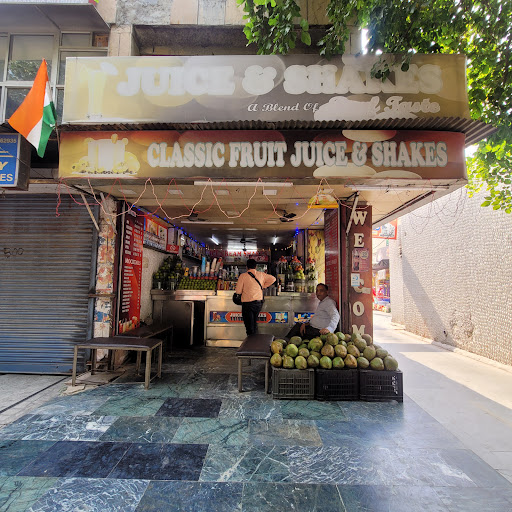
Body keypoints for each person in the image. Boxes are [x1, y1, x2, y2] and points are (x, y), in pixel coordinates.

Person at [235, 259, 276, 336]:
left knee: (249, 326)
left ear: (246, 267)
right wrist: (263, 286)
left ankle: (251, 341)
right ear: (255, 267)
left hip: (247, 304)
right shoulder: (261, 274)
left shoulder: (243, 276)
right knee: (254, 323)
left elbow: (238, 291)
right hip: (258, 304)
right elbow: (273, 279)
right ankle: (254, 339)